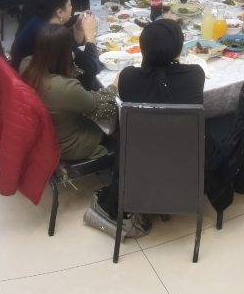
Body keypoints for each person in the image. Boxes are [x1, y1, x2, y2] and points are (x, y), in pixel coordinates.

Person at [84, 19, 205, 237]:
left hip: (139, 160)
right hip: (184, 159)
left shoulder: (129, 77)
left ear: (142, 49)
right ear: (179, 49)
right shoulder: (195, 75)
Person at [19, 24, 117, 161]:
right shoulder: (65, 88)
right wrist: (114, 87)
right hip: (70, 146)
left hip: (45, 136)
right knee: (116, 112)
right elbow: (102, 110)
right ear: (65, 52)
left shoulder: (26, 64)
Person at [10, 0, 100, 91]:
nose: (72, 8)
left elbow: (73, 48)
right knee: (95, 80)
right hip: (39, 85)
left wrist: (78, 28)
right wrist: (89, 34)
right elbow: (92, 67)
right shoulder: (49, 34)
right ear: (60, 12)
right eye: (70, 5)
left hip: (28, 74)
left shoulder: (39, 20)